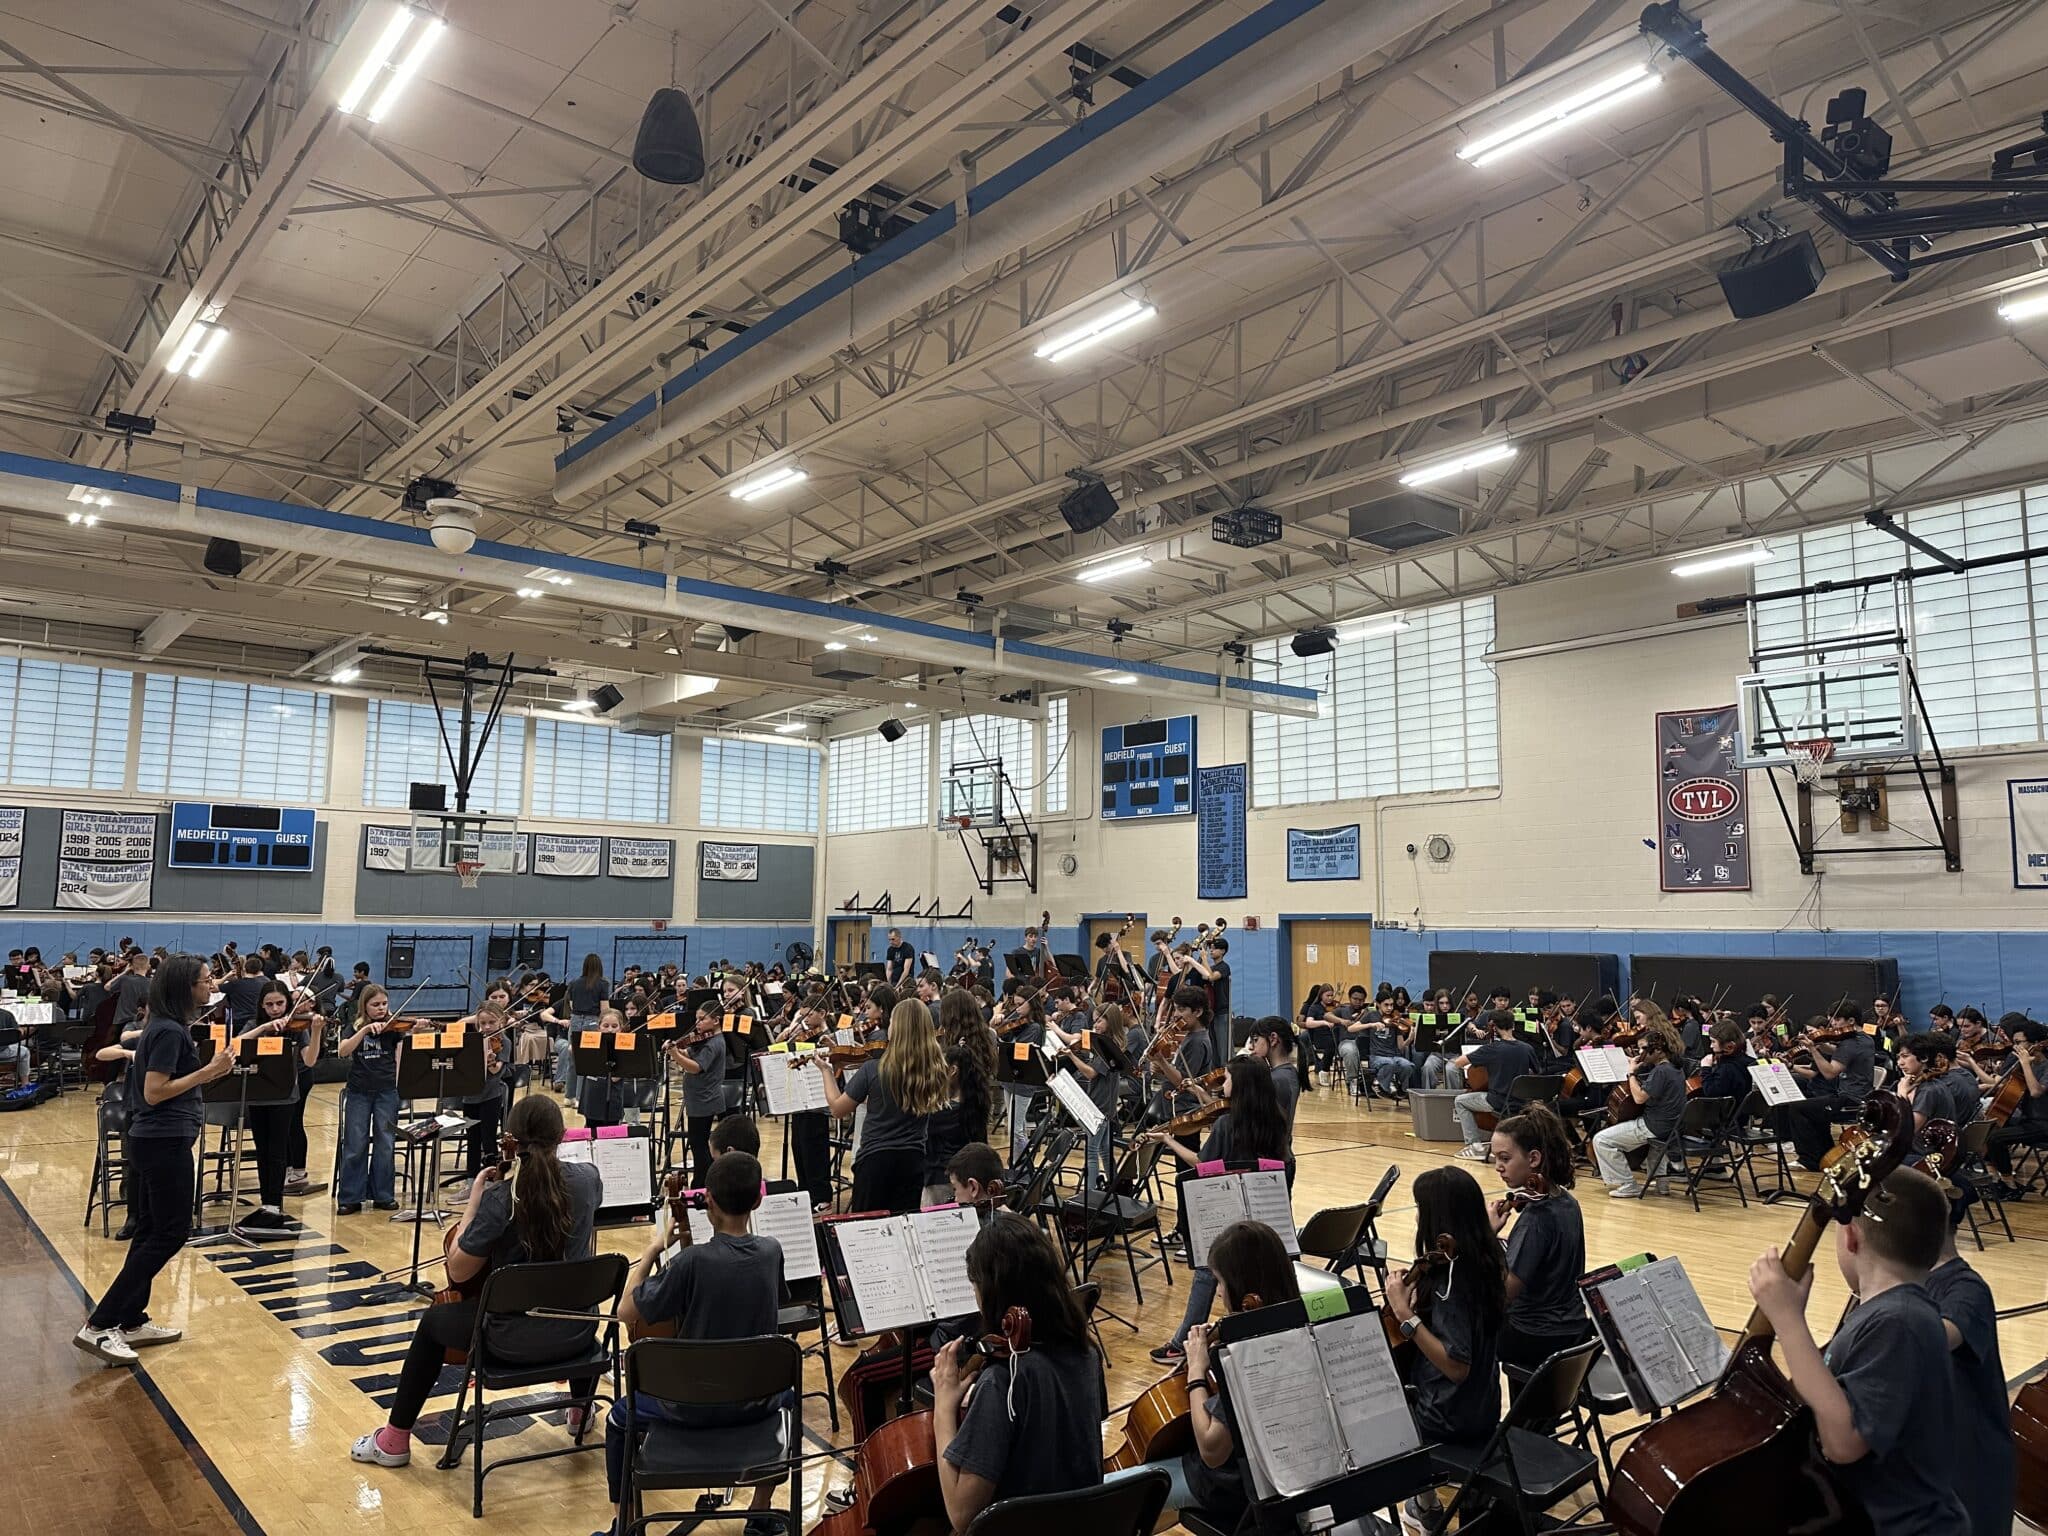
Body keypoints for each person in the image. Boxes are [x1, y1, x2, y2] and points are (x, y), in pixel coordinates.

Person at [351, 1094, 604, 1469]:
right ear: (563, 1136)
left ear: (511, 1140)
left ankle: (393, 1441)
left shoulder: (500, 1199)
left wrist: (474, 1202)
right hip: (576, 1335)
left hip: (508, 1342)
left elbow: (458, 1271)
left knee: (433, 1321)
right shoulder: (588, 1180)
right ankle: (580, 1410)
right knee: (569, 1294)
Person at [1744, 1165, 1968, 1534]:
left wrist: (1788, 1320)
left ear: (1851, 1237)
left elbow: (1845, 1442)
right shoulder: (1889, 1313)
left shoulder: (1900, 1321)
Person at [606, 1150, 787, 1534]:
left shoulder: (692, 1263)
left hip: (689, 1408)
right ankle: (760, 1513)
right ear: (758, 1201)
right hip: (756, 1404)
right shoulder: (772, 1252)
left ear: (709, 1203)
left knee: (619, 1418)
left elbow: (625, 1311)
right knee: (790, 1397)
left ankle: (625, 1526)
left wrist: (653, 1250)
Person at [75, 954, 238, 1366]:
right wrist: (210, 1071)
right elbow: (154, 1091)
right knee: (170, 1232)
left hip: (156, 1140)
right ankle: (100, 1324)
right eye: (205, 980)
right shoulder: (167, 1032)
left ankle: (131, 1320)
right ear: (185, 987)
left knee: (149, 1230)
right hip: (163, 1142)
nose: (211, 985)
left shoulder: (166, 1027)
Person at [1106, 1220, 1299, 1528]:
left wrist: (1196, 1370)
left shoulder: (1250, 1355)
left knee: (1101, 1495)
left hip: (1231, 1487)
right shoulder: (1297, 1325)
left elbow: (1212, 1449)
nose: (1218, 1292)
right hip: (1281, 1476)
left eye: (1220, 1282)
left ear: (1248, 1298)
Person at [932, 1215, 1106, 1529]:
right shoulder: (1087, 1354)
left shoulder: (1004, 1381)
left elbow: (961, 1514)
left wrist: (943, 1408)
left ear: (992, 1293)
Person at [1147, 1057, 1291, 1365]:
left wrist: (1169, 1140)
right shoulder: (1276, 1119)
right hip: (1265, 1213)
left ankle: (1181, 1344)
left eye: (1226, 1079)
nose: (1223, 1085)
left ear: (1239, 1085)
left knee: (1207, 1268)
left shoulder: (1228, 1124)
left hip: (1229, 1211)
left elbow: (1202, 1164)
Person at [1392, 1165, 1507, 1536]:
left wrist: (1405, 1315)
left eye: (1420, 1210)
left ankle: (1426, 1508)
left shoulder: (1450, 1283)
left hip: (1446, 1417)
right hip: (1485, 1408)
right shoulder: (1491, 1257)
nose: (1416, 1218)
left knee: (1379, 1401)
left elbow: (1457, 1367)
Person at [1923, 1196, 2013, 1535]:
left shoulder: (1965, 1288)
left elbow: (1932, 1337)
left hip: (1969, 1476)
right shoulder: (1894, 1291)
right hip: (1931, 1472)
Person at [818, 999, 949, 1214]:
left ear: (896, 1028)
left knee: (867, 1227)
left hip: (875, 1161)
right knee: (903, 1223)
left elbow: (837, 1109)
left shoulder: (873, 1068)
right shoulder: (934, 1069)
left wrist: (826, 1071)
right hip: (914, 1161)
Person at [1488, 1103, 1589, 1372]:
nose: (1498, 1167)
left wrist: (1486, 1237)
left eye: (1505, 1158)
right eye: (1495, 1158)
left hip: (1534, 1335)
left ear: (1533, 1159)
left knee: (1463, 1325)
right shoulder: (1566, 1201)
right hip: (1573, 1328)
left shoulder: (1536, 1218)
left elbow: (1503, 1295)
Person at [240, 978, 321, 1229]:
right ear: (262, 1006)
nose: (275, 1009)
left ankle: (274, 1204)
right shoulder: (254, 1024)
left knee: (277, 1152)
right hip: (257, 1095)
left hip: (285, 1095)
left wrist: (317, 1031)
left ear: (287, 1003)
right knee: (262, 1151)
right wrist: (264, 1027)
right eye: (269, 1005)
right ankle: (266, 1202)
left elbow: (309, 1060)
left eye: (280, 1003)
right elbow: (237, 1045)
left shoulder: (297, 1028)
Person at [1779, 1004, 1878, 1170]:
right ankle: (1825, 1154)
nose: (1833, 1024)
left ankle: (1808, 1160)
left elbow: (1830, 1073)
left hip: (1850, 1101)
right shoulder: (1865, 1039)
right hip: (1861, 1097)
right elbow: (1841, 1053)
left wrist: (1813, 1049)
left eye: (1837, 1019)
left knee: (1798, 1108)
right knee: (1813, 1108)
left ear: (1851, 1021)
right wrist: (1820, 1045)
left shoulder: (1850, 1043)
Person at [1592, 1030, 1687, 1197]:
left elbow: (1639, 1098)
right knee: (1656, 1148)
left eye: (1643, 1048)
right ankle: (1662, 1186)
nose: (1640, 1052)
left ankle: (1628, 1184)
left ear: (1658, 1050)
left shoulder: (1661, 1071)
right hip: (1673, 1127)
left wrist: (1631, 1073)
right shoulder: (1676, 1068)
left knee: (1601, 1140)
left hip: (1655, 1125)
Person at [336, 984, 402, 1214]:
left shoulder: (394, 1027)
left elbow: (401, 1056)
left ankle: (383, 1195)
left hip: (387, 1091)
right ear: (364, 1006)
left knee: (385, 1143)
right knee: (355, 1143)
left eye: (384, 1004)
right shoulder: (353, 1026)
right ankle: (350, 1197)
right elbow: (343, 1051)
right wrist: (364, 1030)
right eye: (375, 1005)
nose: (381, 1008)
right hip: (359, 1091)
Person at [1451, 1009, 1538, 1158]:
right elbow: (1536, 1072)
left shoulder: (1491, 1049)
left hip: (1499, 1102)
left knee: (1460, 1101)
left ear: (1494, 1027)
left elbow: (1459, 1063)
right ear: (1513, 1026)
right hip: (1524, 1102)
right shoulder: (1527, 1048)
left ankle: (1474, 1146)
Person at [669, 1001, 727, 1184]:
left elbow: (696, 1067)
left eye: (702, 1019)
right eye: (697, 1019)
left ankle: (702, 1182)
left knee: (699, 1145)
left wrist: (675, 1055)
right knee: (698, 1143)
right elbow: (691, 1054)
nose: (697, 1023)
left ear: (716, 1020)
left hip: (705, 1100)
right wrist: (679, 1051)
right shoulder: (705, 1040)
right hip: (699, 1099)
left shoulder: (714, 1044)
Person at [1895, 1032, 1981, 1135]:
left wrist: (1902, 1094)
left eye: (1905, 1056)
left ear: (1924, 1058)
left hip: (1930, 1143)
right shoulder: (1935, 1083)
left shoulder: (1929, 1090)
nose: (1900, 1063)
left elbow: (1905, 1131)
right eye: (1898, 1057)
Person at [1695, 1018, 1755, 1101]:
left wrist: (1705, 1068)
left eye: (1713, 1042)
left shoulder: (1727, 1068)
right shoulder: (1748, 1060)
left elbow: (1710, 1092)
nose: (1711, 1046)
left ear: (1729, 1045)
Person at [1296, 983, 1338, 1085]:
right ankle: (1324, 1070)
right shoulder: (1314, 1008)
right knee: (1332, 1044)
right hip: (1320, 1038)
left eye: (1331, 995)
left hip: (1333, 1035)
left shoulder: (1334, 1007)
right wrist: (1323, 1022)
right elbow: (1309, 1023)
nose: (1330, 998)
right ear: (1321, 995)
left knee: (1340, 1041)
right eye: (1327, 995)